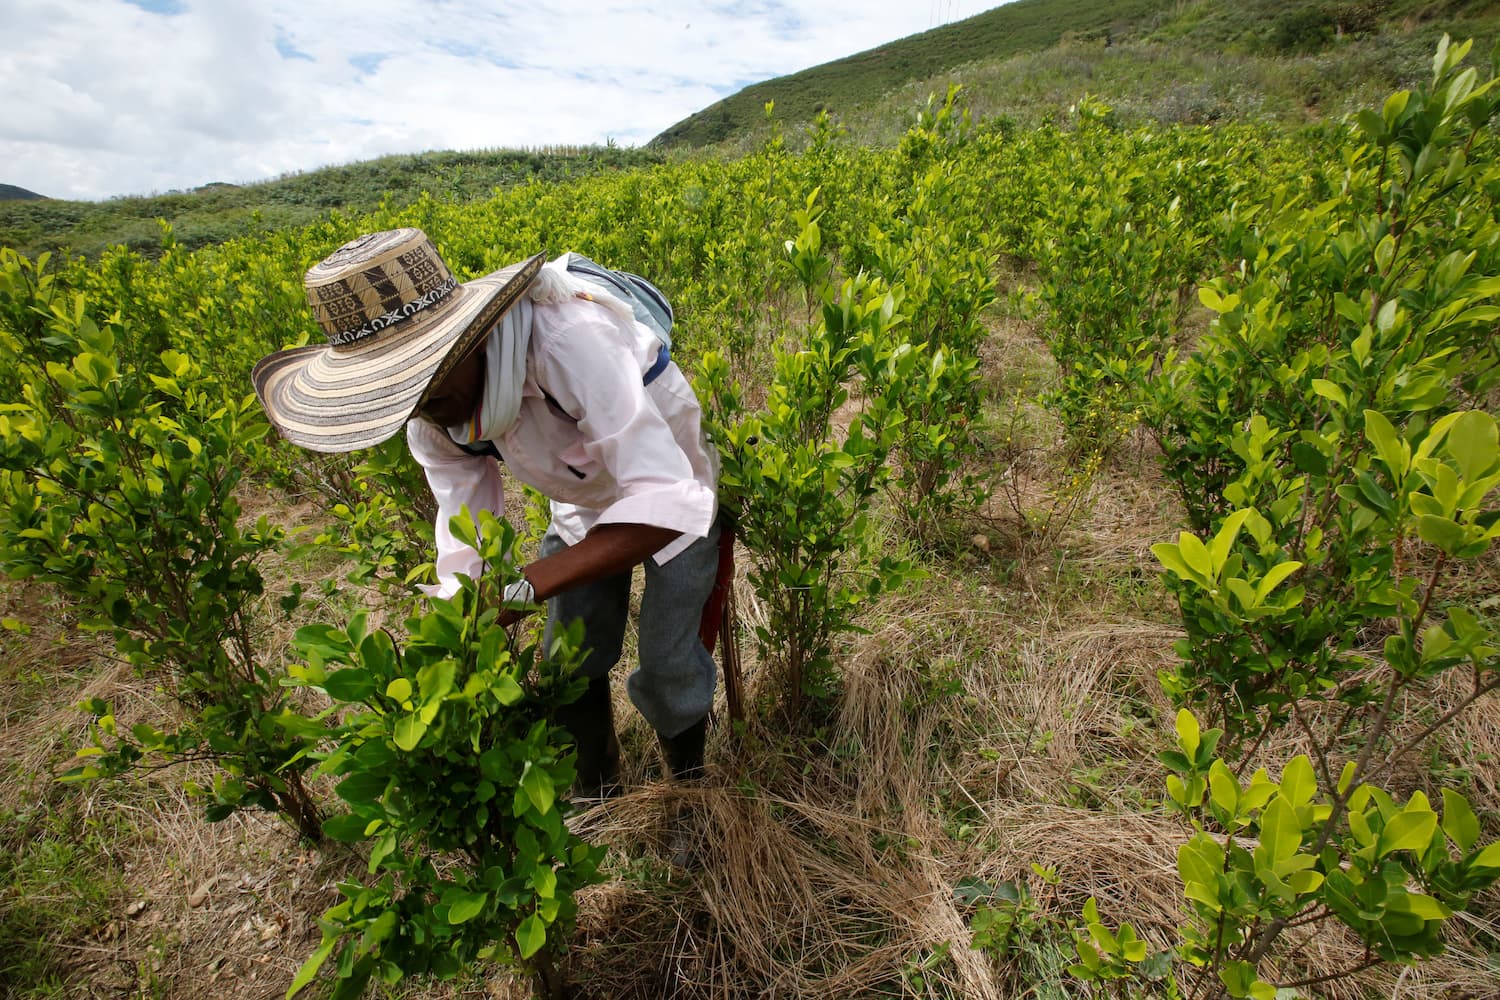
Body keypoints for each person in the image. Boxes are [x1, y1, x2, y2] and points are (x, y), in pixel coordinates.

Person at [252, 228, 720, 796]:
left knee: (670, 661)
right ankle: (595, 792)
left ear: (473, 338)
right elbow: (463, 541)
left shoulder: (569, 340)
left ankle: (691, 791)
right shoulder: (433, 417)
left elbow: (665, 503)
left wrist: (519, 591)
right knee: (569, 662)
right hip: (581, 502)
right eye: (402, 391)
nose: (422, 406)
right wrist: (458, 630)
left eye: (426, 378)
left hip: (674, 483)